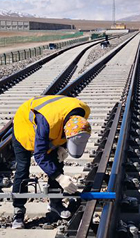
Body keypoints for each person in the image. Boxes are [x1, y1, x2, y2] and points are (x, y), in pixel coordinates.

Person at [11, 95, 92, 229]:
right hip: (25, 126)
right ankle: (18, 211)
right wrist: (59, 177)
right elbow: (39, 155)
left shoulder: (82, 113)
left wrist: (62, 146)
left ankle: (55, 203)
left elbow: (70, 129)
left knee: (57, 162)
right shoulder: (48, 122)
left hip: (50, 126)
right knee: (22, 167)